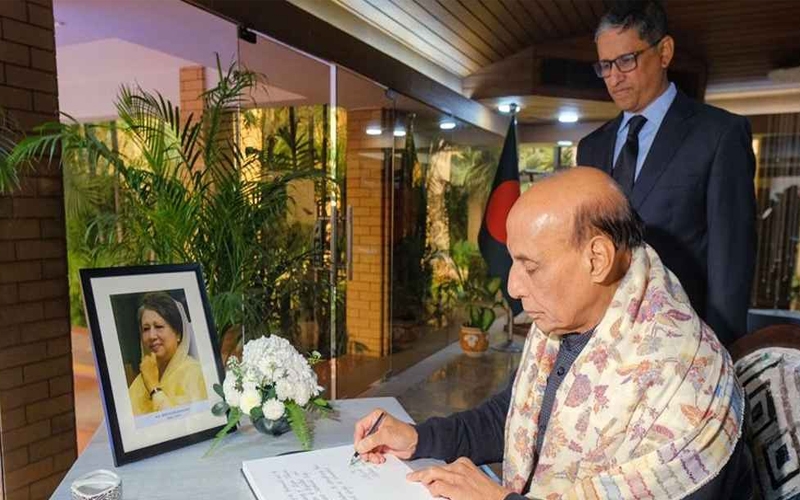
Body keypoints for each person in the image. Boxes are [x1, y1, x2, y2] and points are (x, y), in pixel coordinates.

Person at [354, 168, 753, 500]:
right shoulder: (567, 319)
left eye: (530, 267)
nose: (513, 287)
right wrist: (418, 439)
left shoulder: (688, 384)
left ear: (597, 258)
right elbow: (514, 418)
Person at [576, 0, 756, 346]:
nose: (614, 77)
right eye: (605, 65)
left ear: (664, 52)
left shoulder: (719, 135)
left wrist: (723, 352)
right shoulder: (590, 148)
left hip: (681, 341)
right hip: (602, 342)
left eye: (626, 60)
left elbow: (731, 262)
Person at [128, 292, 207, 415]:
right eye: (146, 329)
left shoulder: (195, 374)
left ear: (178, 333)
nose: (152, 336)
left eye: (159, 326)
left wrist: (154, 388)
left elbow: (186, 424)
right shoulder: (138, 383)